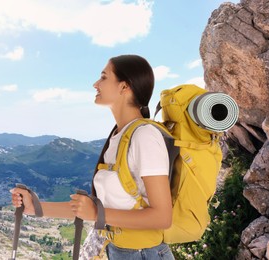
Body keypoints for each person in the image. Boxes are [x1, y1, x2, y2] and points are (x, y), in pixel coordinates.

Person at [11, 54, 174, 259]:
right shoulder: (118, 135)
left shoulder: (145, 136)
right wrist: (34, 207)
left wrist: (97, 214)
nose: (95, 84)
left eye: (104, 77)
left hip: (144, 254)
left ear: (124, 87)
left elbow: (162, 217)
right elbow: (90, 210)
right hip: (119, 251)